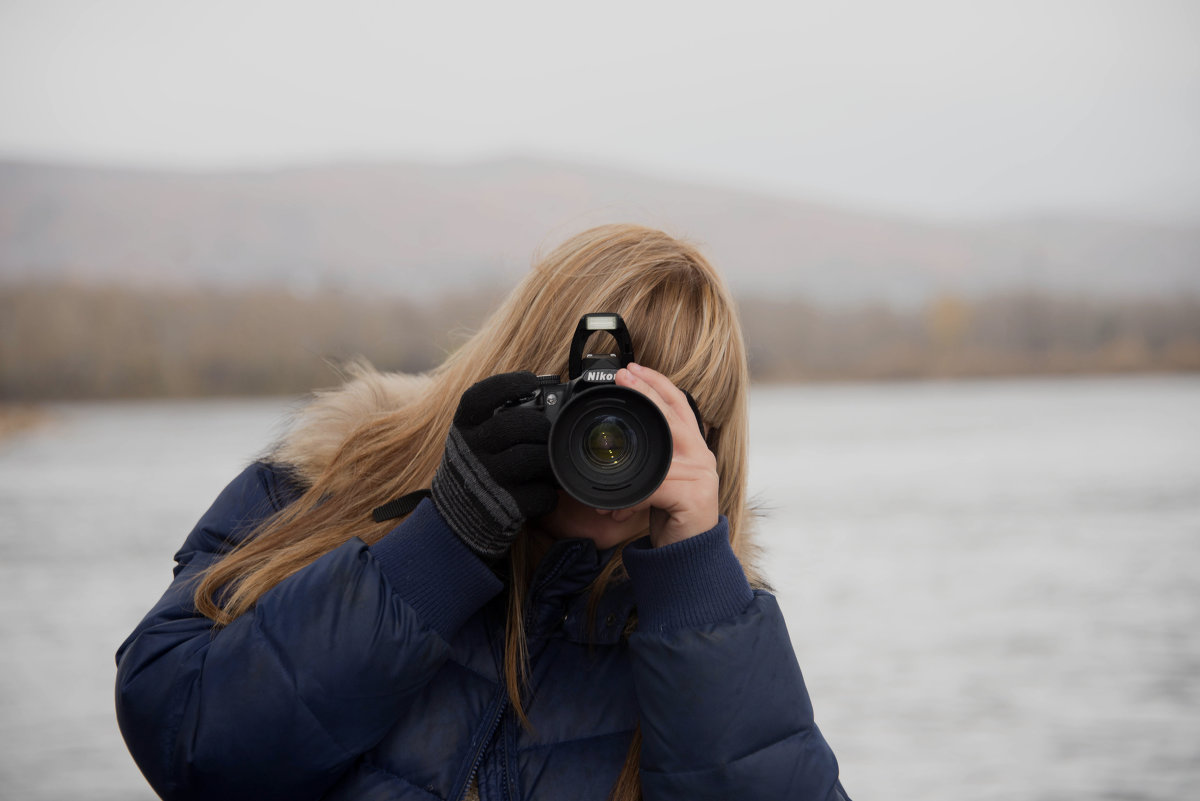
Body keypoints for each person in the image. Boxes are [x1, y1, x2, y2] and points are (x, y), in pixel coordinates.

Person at [115, 223, 851, 801]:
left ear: (707, 440)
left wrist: (697, 587)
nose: (611, 450)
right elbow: (187, 742)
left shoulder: (708, 627)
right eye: (590, 410)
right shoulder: (324, 490)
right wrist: (439, 546)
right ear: (524, 379)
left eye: (650, 422)